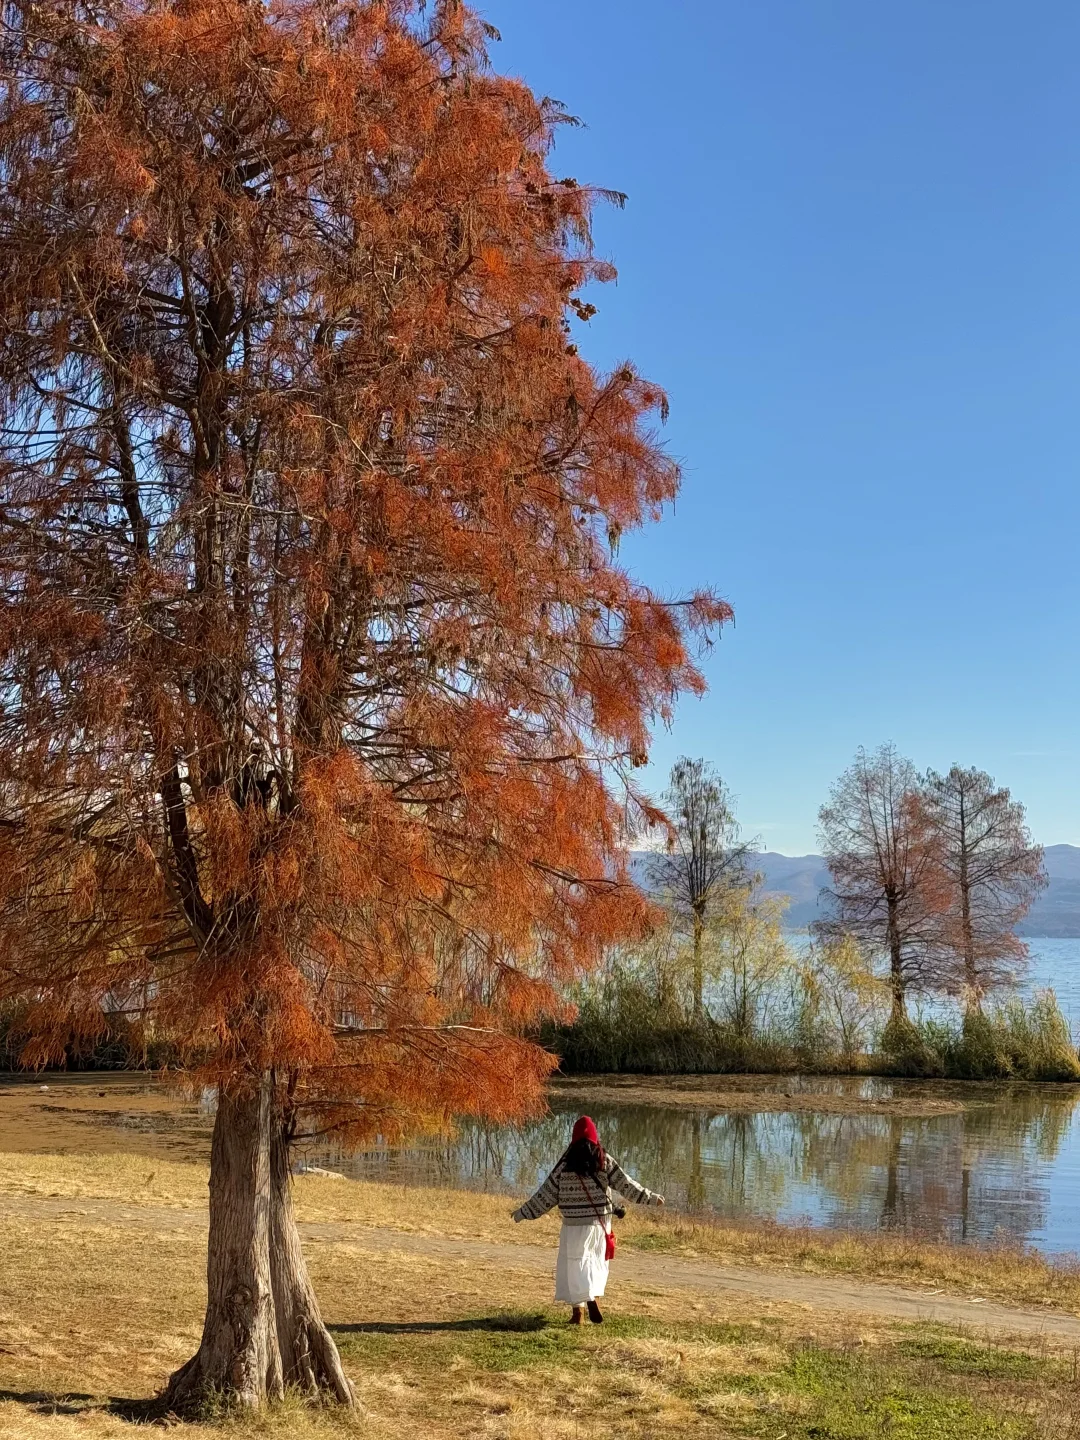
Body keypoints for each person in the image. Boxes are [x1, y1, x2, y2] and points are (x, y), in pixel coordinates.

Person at [511, 1115, 664, 1324]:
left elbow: (545, 1194)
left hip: (572, 1224)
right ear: (595, 1137)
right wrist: (651, 1198)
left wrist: (523, 1213)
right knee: (595, 1262)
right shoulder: (603, 1160)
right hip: (598, 1224)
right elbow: (626, 1184)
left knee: (574, 1265)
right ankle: (592, 1296)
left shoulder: (564, 1166)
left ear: (573, 1138)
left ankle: (578, 1314)